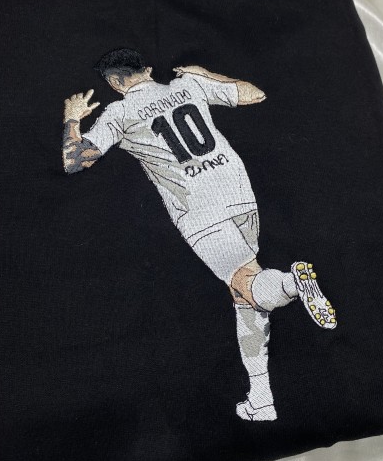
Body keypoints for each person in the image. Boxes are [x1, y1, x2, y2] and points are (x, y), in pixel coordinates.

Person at [62, 48, 337, 421]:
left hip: (200, 211)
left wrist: (72, 118)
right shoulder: (188, 85)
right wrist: (206, 73)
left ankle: (292, 283)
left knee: (247, 285)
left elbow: (74, 161)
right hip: (239, 193)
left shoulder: (119, 113)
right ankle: (261, 400)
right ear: (147, 69)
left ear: (114, 82)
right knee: (243, 296)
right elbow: (254, 93)